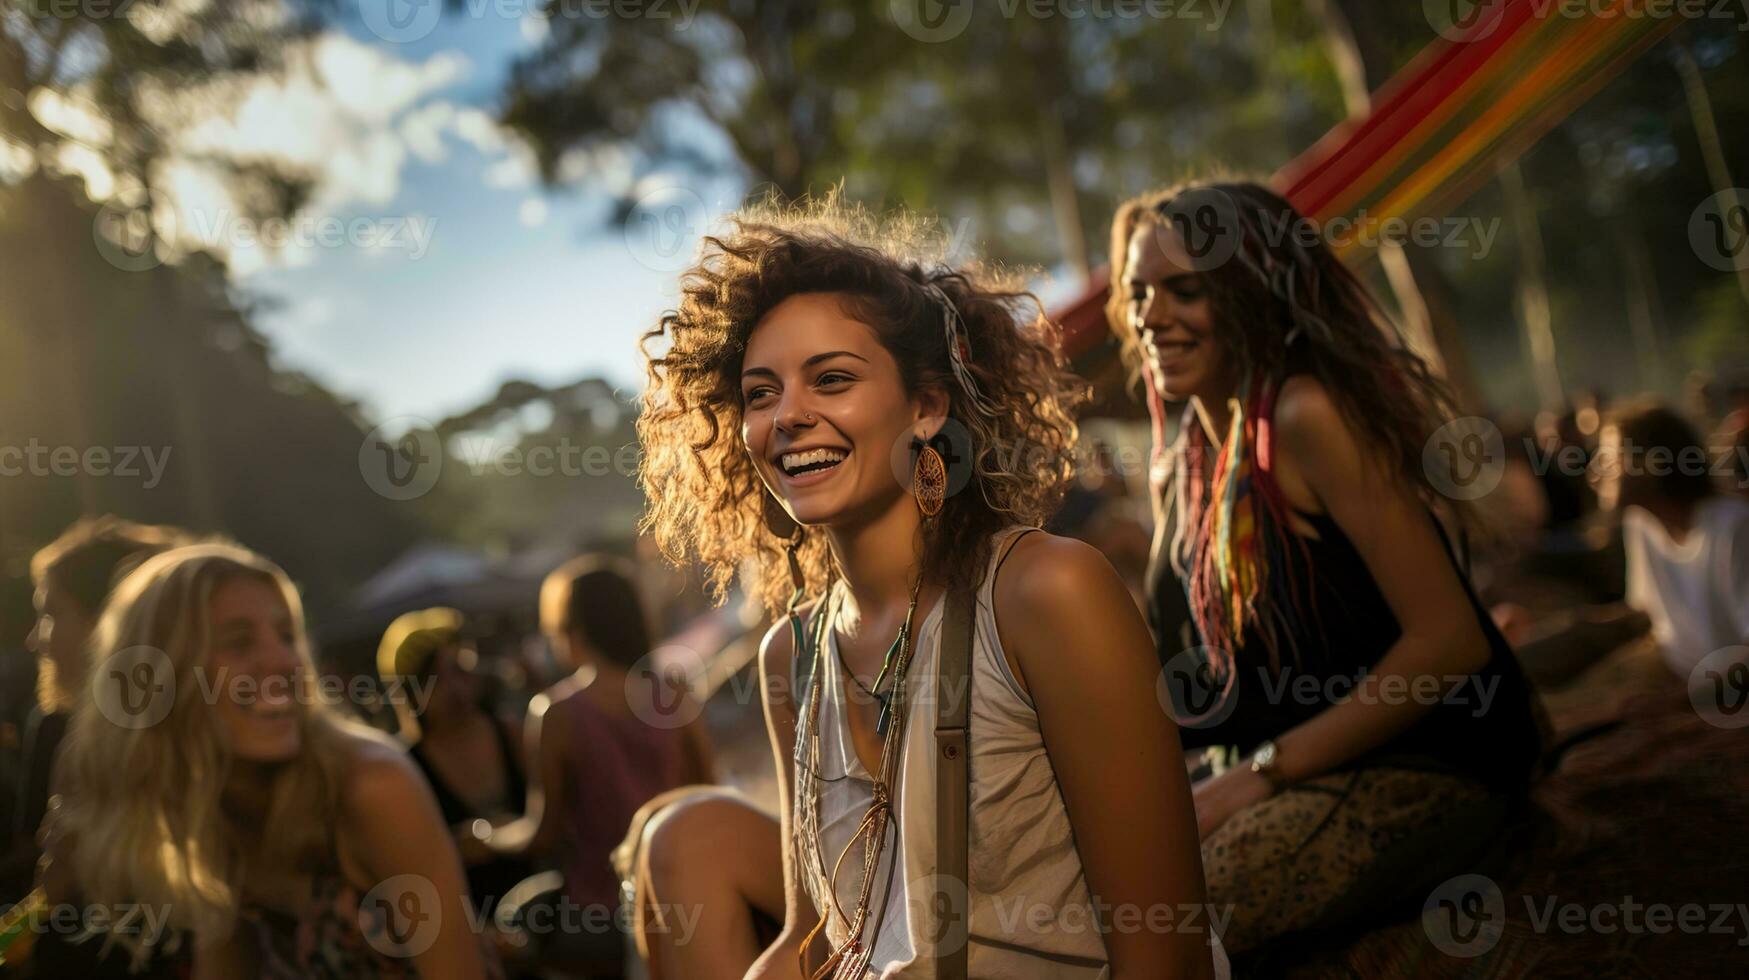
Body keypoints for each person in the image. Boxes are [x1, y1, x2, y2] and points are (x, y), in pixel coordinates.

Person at [636, 197, 1224, 979]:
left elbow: (1165, 950)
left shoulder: (1044, 592)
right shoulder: (793, 653)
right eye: (759, 393)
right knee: (672, 832)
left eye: (832, 379)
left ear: (926, 406)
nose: (788, 416)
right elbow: (813, 941)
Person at [1108, 180, 1546, 959]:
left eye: (1186, 290)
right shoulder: (1182, 461)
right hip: (1271, 764)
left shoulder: (1306, 417)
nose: (1150, 315)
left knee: (1168, 921)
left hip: (1425, 760)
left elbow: (1449, 643)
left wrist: (1260, 777)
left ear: (1249, 292)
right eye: (1139, 292)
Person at [46, 543, 498, 979]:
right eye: (240, 643)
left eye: (287, 636)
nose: (285, 660)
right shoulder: (214, 804)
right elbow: (225, 964)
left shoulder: (371, 785)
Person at [472, 555, 712, 977]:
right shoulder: (673, 692)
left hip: (603, 917)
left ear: (573, 630)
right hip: (687, 895)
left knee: (512, 924)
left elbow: (542, 833)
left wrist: (486, 837)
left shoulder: (556, 712)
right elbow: (709, 792)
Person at [2, 516, 187, 978]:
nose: (34, 640)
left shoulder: (202, 753)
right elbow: (40, 915)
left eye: (50, 614)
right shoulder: (65, 740)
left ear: (109, 621)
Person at [379, 607, 531, 914]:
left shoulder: (512, 735)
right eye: (437, 679)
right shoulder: (403, 769)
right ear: (411, 692)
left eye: (461, 670)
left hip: (541, 907)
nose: (456, 688)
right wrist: (456, 848)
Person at [1588, 400, 1749, 677]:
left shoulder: (1732, 529)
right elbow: (1646, 618)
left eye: (1609, 460)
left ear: (1653, 462)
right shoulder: (1640, 523)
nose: (1594, 474)